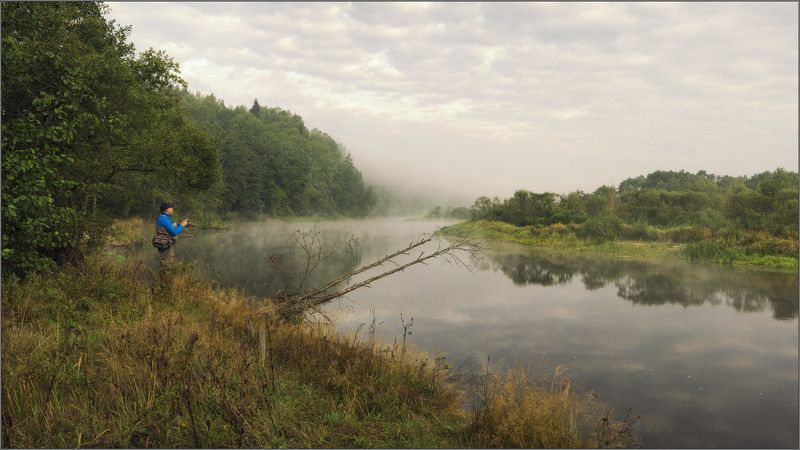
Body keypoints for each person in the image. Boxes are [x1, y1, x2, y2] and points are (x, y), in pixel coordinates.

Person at [155, 202, 189, 276]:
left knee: (167, 263)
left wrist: (180, 224)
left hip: (165, 242)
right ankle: (165, 283)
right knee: (166, 264)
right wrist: (182, 225)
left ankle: (164, 282)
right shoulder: (164, 219)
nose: (172, 208)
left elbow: (168, 229)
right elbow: (174, 232)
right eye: (171, 207)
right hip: (165, 243)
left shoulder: (164, 218)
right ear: (166, 210)